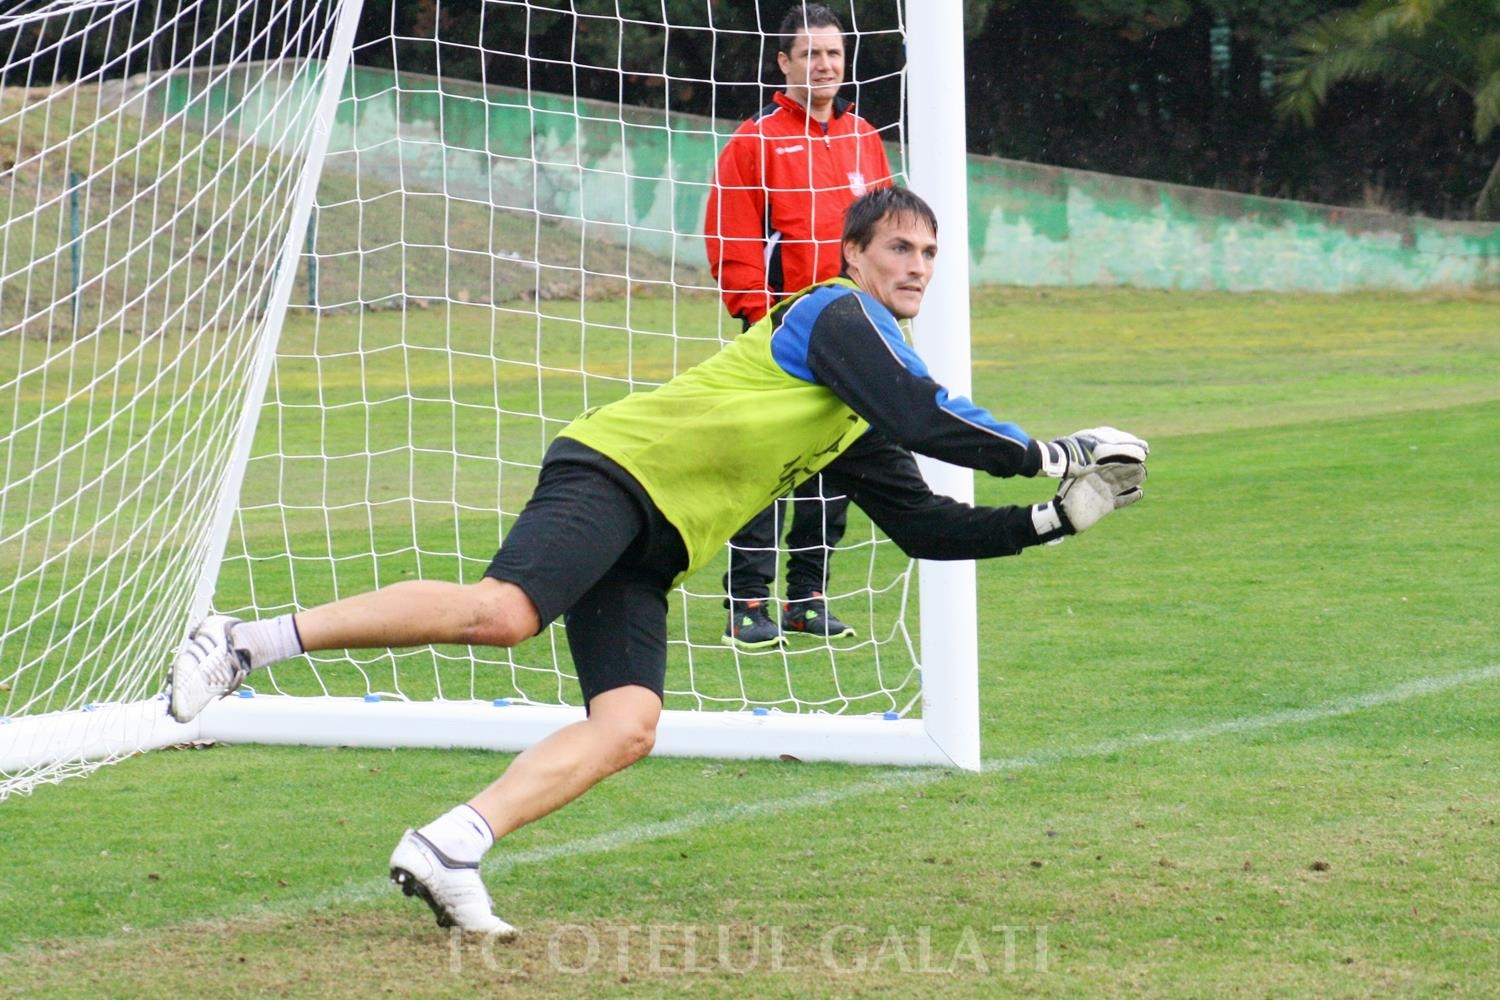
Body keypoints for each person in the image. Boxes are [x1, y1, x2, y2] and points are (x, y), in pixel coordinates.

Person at [167, 187, 1149, 939]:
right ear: (854, 254)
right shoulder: (833, 317)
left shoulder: (857, 405)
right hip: (615, 470)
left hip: (656, 543)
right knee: (506, 610)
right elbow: (931, 415)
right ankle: (242, 639)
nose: (918, 265)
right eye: (900, 245)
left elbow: (928, 526)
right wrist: (1050, 451)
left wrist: (1062, 516)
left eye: (930, 252)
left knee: (629, 724)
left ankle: (449, 844)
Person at [704, 3, 895, 649]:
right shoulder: (755, 139)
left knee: (830, 466)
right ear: (783, 62)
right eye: (810, 53)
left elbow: (887, 233)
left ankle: (806, 598)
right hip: (780, 333)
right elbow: (730, 238)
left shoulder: (863, 135)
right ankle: (747, 603)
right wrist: (762, 322)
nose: (824, 64)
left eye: (833, 54)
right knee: (765, 465)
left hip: (853, 329)